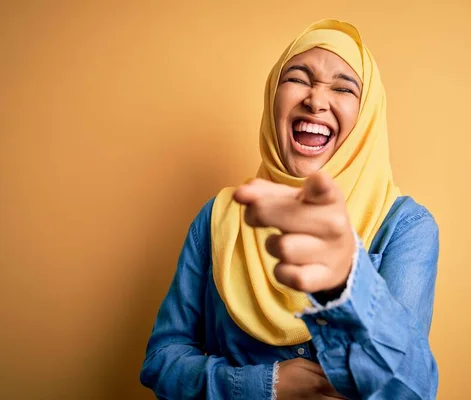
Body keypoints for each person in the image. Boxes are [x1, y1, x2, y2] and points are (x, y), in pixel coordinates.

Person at [140, 19, 439, 400]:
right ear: (272, 98)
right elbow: (162, 362)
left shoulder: (405, 227)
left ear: (366, 118)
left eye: (343, 87)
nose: (316, 100)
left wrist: (345, 279)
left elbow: (411, 392)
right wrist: (268, 385)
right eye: (298, 79)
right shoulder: (219, 218)